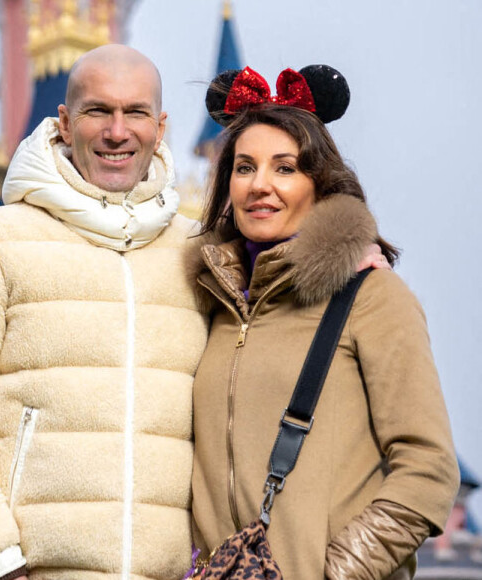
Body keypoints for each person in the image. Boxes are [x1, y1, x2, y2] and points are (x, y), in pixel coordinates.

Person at [0, 44, 210, 580]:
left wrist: (352, 253)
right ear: (65, 124)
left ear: (159, 128)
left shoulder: (198, 254)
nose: (117, 131)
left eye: (134, 112)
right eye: (98, 111)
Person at [190, 65, 460, 580]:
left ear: (320, 183)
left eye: (285, 168)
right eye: (243, 167)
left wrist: (337, 572)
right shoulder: (213, 304)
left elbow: (428, 469)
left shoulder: (371, 295)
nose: (260, 185)